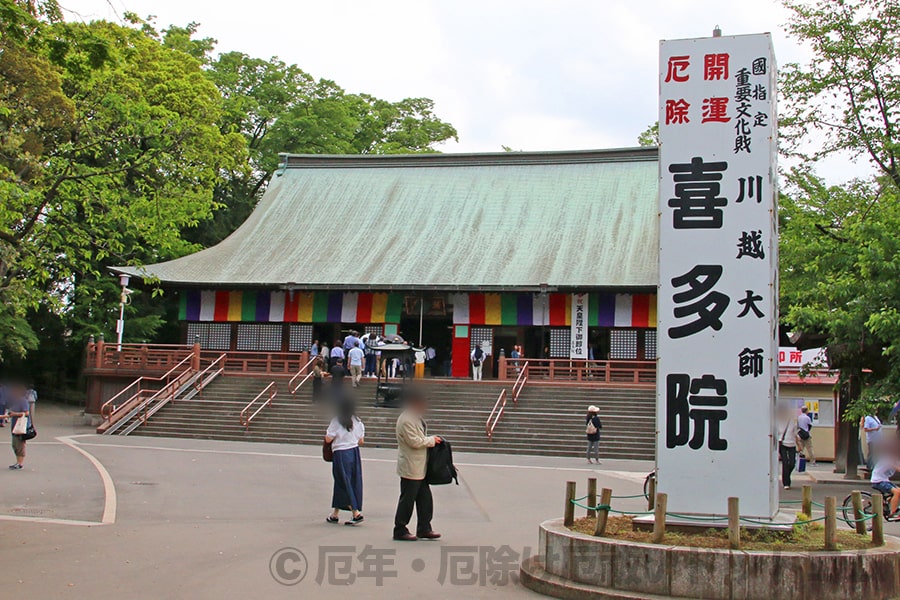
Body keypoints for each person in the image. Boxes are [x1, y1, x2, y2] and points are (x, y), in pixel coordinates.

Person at [393, 389, 442, 541]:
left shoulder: (414, 417)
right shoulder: (407, 419)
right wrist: (432, 440)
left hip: (419, 465)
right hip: (411, 465)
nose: (424, 405)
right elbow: (414, 441)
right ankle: (400, 529)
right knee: (407, 499)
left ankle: (424, 527)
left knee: (424, 498)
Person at [325, 401, 365, 525]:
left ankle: (356, 512)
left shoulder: (336, 421)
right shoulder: (357, 421)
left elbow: (328, 438)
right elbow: (361, 441)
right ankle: (335, 514)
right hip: (354, 452)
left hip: (341, 453)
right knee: (349, 481)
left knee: (343, 481)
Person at [2, 384, 30, 470]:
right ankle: (18, 462)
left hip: (20, 427)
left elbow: (26, 413)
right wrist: (3, 416)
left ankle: (20, 463)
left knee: (19, 445)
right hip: (15, 426)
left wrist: (15, 414)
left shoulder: (23, 401)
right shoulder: (16, 401)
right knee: (15, 445)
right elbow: (11, 414)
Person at [776, 406, 800, 489]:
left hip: (792, 444)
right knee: (785, 463)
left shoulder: (791, 421)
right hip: (782, 444)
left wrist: (799, 445)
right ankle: (786, 483)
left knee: (792, 463)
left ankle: (787, 475)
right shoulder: (776, 422)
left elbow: (795, 433)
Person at [871, 454, 900, 518]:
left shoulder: (896, 461)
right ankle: (892, 513)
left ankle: (885, 502)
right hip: (878, 481)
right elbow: (897, 468)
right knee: (897, 492)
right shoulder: (887, 460)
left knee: (899, 492)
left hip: (885, 481)